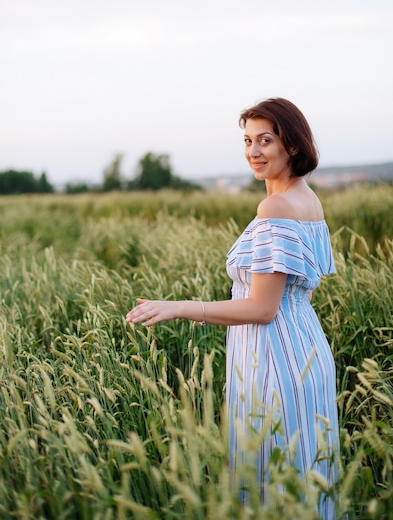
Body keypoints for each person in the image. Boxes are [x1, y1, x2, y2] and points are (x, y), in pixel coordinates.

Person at [126, 97, 339, 519]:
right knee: (303, 483)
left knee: (272, 485)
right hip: (305, 352)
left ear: (292, 146)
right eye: (247, 141)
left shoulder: (276, 207)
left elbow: (262, 309)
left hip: (274, 361)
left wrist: (180, 307)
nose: (254, 152)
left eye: (266, 140)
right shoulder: (307, 200)